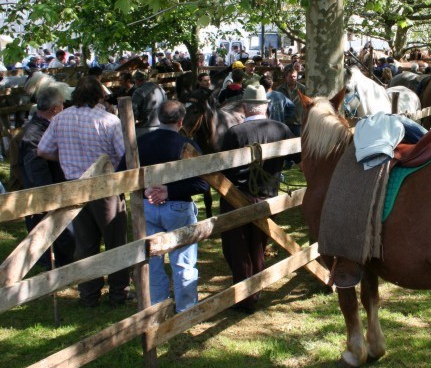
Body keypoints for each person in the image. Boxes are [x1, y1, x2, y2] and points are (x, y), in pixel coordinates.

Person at [37, 76, 132, 308]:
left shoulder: (60, 119)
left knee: (86, 243)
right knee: (115, 240)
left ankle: (89, 294)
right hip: (105, 187)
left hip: (74, 188)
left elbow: (43, 150)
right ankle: (119, 293)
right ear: (99, 96)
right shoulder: (109, 121)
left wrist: (67, 159)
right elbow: (124, 156)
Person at [117, 101, 211, 313]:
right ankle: (186, 308)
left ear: (159, 118)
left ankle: (158, 307)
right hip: (178, 207)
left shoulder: (139, 142)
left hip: (147, 207)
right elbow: (203, 183)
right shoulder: (186, 145)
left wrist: (146, 190)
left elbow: (121, 174)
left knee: (153, 261)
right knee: (184, 261)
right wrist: (169, 191)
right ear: (180, 121)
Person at [219, 85, 300, 313]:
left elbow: (221, 171)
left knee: (237, 248)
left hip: (236, 197)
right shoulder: (281, 129)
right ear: (266, 107)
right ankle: (255, 290)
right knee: (258, 246)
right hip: (267, 197)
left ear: (244, 107)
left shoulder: (234, 133)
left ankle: (246, 298)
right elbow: (299, 158)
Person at [19, 86, 75, 270]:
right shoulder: (33, 135)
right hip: (45, 193)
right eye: (62, 105)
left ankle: (62, 263)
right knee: (50, 231)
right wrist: (51, 196)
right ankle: (54, 265)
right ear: (55, 109)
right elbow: (36, 172)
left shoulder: (45, 126)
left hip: (57, 187)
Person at [131, 70, 167, 136]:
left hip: (144, 129)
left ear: (136, 80)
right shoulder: (161, 90)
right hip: (161, 127)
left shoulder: (139, 92)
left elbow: (133, 112)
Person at [275, 68, 306, 136]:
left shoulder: (303, 89)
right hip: (284, 123)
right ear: (286, 77)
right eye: (290, 77)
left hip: (298, 122)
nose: (292, 78)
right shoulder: (279, 89)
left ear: (297, 77)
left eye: (294, 76)